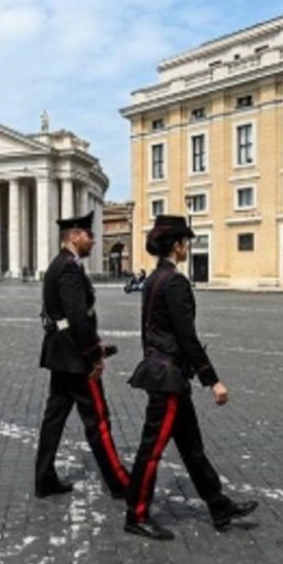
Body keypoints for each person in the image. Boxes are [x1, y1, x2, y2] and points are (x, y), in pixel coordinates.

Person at [124, 215, 257, 540]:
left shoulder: (154, 279)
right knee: (151, 449)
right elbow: (187, 338)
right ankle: (136, 515)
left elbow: (149, 331)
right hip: (169, 377)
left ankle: (218, 504)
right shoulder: (175, 282)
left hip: (163, 373)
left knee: (192, 447)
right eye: (186, 241)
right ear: (178, 245)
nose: (188, 247)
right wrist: (213, 380)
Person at [35, 211, 130, 501]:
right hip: (75, 358)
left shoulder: (58, 265)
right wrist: (94, 355)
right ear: (74, 236)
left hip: (60, 353)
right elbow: (78, 317)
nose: (93, 239)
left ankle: (44, 478)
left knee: (54, 418)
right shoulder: (69, 268)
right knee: (98, 421)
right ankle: (119, 482)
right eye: (89, 235)